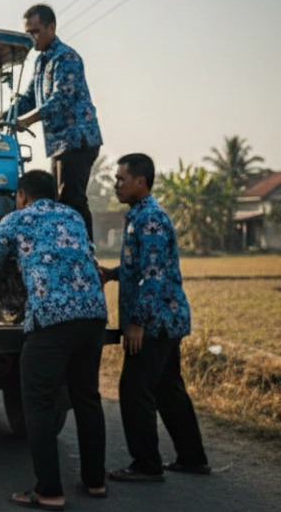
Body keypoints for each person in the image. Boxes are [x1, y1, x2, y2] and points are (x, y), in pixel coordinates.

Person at [0, 170, 108, 511]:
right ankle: (96, 482)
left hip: (51, 320)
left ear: (21, 196)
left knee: (38, 405)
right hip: (94, 316)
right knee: (87, 399)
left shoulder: (14, 221)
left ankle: (48, 490)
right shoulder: (72, 216)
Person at [102, 153, 211, 483]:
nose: (116, 184)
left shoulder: (148, 219)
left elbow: (153, 277)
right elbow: (140, 268)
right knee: (167, 390)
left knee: (134, 390)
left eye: (122, 179)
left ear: (140, 181)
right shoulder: (140, 216)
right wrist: (112, 273)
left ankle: (146, 465)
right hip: (166, 318)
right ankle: (193, 458)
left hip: (155, 321)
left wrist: (137, 322)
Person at [5, 3, 102, 242]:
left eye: (36, 31)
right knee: (58, 201)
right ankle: (65, 249)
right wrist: (6, 115)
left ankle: (86, 255)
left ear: (52, 27)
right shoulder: (41, 62)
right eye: (28, 33)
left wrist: (27, 120)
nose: (32, 38)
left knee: (72, 200)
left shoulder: (66, 57)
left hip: (77, 140)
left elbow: (61, 100)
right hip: (58, 143)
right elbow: (29, 98)